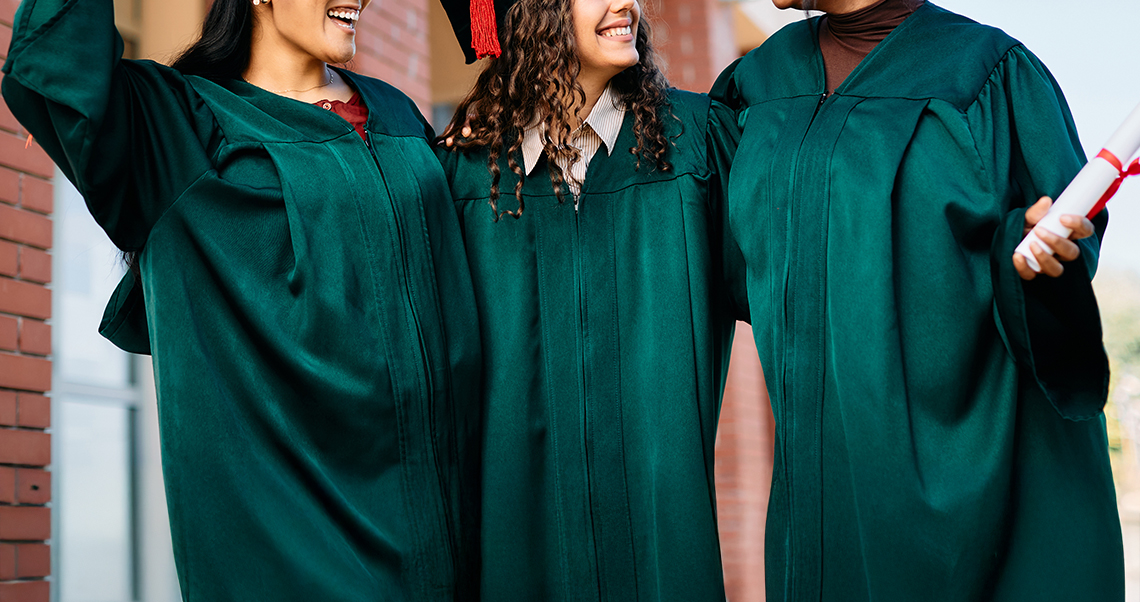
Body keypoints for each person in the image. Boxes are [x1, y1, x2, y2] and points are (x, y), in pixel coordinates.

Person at [2, 0, 481, 598]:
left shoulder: (397, 113)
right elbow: (55, 54)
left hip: (452, 541)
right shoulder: (179, 127)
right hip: (294, 553)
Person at [711, 0, 1124, 599]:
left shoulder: (988, 73)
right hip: (820, 497)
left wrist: (1033, 254)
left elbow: (1060, 268)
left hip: (970, 482)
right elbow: (735, 268)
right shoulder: (756, 84)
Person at [436, 0, 744, 599]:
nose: (625, 2)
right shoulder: (464, 176)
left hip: (665, 559)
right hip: (517, 563)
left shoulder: (696, 146)